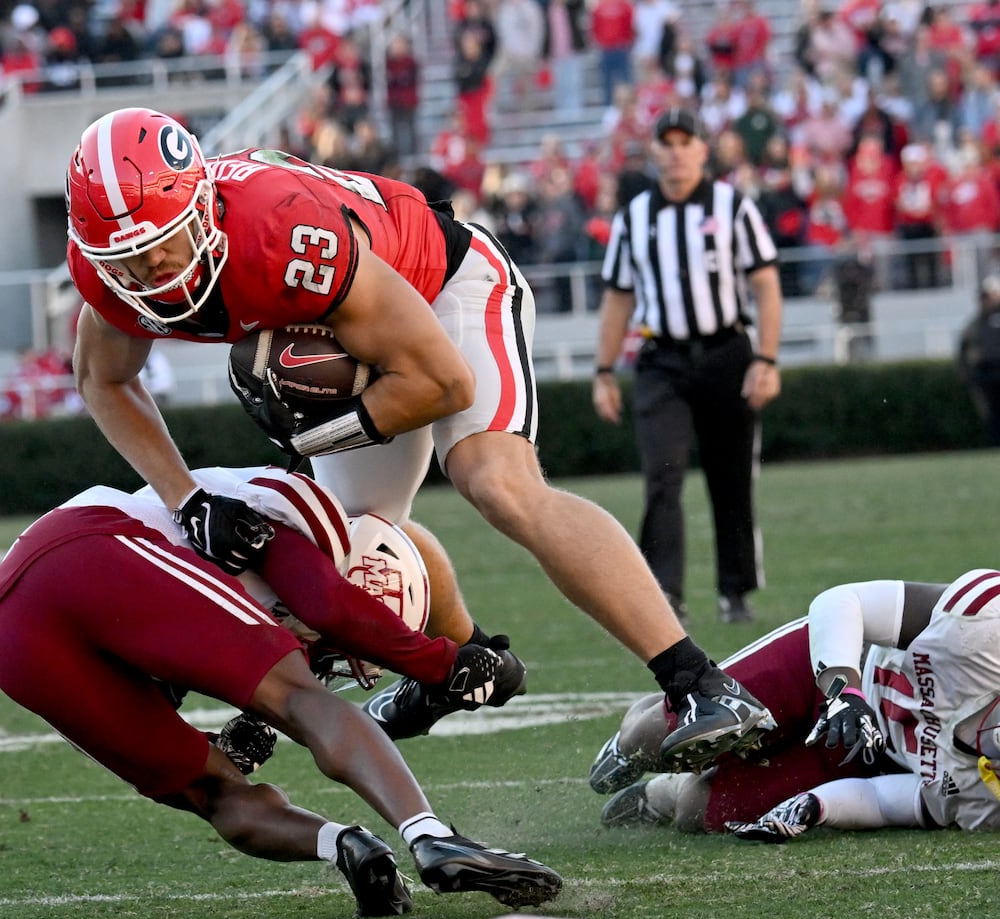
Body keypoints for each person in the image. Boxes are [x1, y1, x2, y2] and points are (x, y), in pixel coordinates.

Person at [63, 106, 774, 768]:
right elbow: (105, 381)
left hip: (444, 283)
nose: (151, 272)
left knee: (496, 481)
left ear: (202, 207)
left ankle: (701, 681)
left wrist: (313, 438)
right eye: (128, 258)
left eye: (163, 245)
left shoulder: (278, 234)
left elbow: (444, 384)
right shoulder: (111, 270)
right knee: (349, 535)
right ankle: (463, 664)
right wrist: (185, 498)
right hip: (349, 319)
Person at [0, 465, 562, 915]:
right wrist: (441, 663)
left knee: (211, 790)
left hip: (6, 636)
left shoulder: (258, 601)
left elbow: (175, 689)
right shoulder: (298, 517)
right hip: (84, 548)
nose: (340, 658)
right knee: (301, 699)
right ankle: (430, 835)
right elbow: (328, 606)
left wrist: (224, 738)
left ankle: (348, 848)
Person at [588, 568, 1000, 840]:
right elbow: (843, 602)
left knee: (697, 810)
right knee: (654, 737)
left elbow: (896, 799)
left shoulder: (987, 802)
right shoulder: (986, 625)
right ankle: (633, 736)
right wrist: (844, 691)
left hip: (861, 751)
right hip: (834, 662)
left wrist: (818, 805)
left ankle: (661, 791)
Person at [593, 107, 783, 627]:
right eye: (667, 143)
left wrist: (766, 359)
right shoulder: (634, 217)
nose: (676, 152)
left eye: (686, 142)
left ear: (704, 149)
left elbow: (765, 284)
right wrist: (603, 371)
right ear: (654, 151)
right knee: (662, 477)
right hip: (662, 360)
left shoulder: (733, 207)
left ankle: (735, 591)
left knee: (732, 476)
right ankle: (663, 595)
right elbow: (618, 297)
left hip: (727, 353)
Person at [958, 274, 1000, 447]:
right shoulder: (975, 324)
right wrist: (965, 374)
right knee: (992, 415)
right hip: (986, 375)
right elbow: (963, 351)